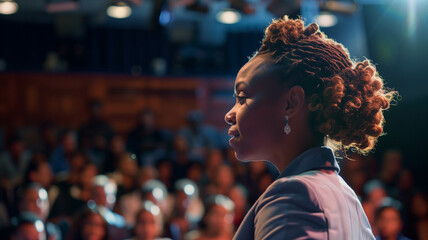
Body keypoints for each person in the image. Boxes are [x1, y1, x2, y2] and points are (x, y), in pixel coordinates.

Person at [224, 16, 396, 239]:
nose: (229, 114)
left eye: (242, 97)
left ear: (291, 102)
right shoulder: (348, 197)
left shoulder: (294, 194)